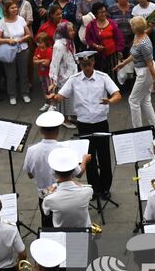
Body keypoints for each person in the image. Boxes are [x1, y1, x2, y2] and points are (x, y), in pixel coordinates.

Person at [49, 51, 120, 201]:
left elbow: (117, 94)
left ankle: (106, 188)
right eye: (83, 65)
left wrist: (110, 101)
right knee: (88, 158)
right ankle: (94, 189)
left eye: (89, 64)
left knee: (105, 157)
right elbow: (61, 96)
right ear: (80, 65)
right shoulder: (74, 80)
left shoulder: (103, 77)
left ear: (93, 63)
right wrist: (53, 97)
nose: (86, 67)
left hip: (100, 122)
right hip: (84, 123)